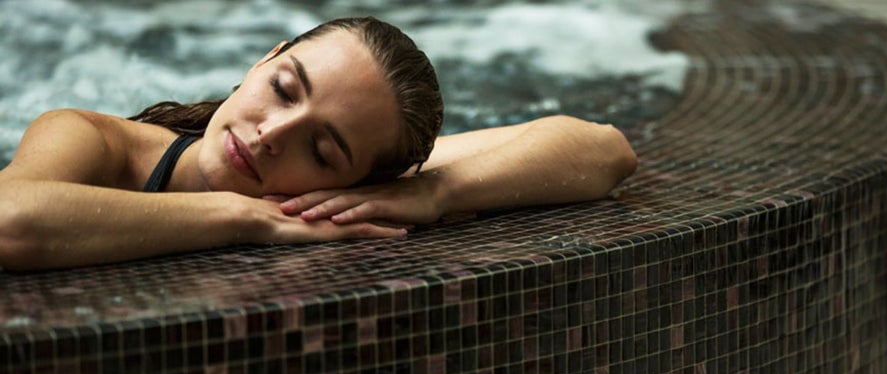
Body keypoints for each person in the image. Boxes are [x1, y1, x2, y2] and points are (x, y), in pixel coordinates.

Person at [0, 17, 637, 271]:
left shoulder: (354, 192)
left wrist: (434, 192)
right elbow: (11, 223)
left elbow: (603, 151)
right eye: (283, 87)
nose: (272, 133)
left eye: (323, 151)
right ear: (263, 59)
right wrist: (239, 215)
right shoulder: (90, 140)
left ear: (359, 183)